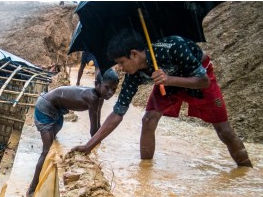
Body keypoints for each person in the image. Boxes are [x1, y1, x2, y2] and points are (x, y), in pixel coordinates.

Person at [72, 30, 253, 168]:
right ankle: (145, 170)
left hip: (195, 78)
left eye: (121, 62)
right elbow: (118, 112)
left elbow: (204, 81)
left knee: (223, 130)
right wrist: (89, 146)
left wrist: (169, 79)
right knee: (148, 120)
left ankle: (246, 171)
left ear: (134, 54)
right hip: (167, 82)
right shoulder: (133, 76)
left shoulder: (174, 46)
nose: (120, 68)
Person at [26, 68, 119, 197]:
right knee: (47, 150)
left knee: (53, 138)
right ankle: (31, 189)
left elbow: (97, 125)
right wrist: (97, 151)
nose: (110, 92)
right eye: (107, 87)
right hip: (45, 107)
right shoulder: (93, 98)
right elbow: (94, 130)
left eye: (114, 89)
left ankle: (51, 138)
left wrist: (97, 141)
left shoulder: (100, 97)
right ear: (96, 84)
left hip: (58, 109)